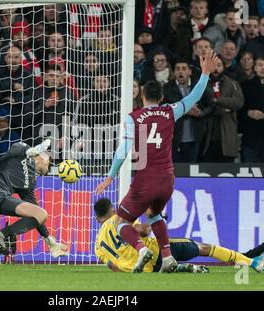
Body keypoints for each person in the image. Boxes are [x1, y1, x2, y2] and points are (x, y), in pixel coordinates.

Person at [95, 51, 218, 273]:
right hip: (167, 180)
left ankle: (142, 249)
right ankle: (168, 257)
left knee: (121, 222)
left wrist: (111, 175)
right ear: (161, 98)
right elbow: (194, 97)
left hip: (145, 179)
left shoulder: (133, 118)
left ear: (142, 96)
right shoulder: (170, 111)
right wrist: (206, 74)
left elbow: (124, 149)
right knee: (153, 215)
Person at [93, 198, 264, 273]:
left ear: (97, 217)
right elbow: (143, 231)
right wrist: (155, 220)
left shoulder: (97, 245)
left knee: (166, 268)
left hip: (139, 269)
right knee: (205, 248)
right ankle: (253, 262)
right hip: (157, 252)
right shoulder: (119, 218)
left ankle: (184, 268)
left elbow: (112, 267)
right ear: (112, 209)